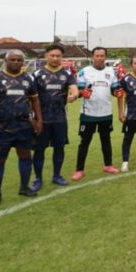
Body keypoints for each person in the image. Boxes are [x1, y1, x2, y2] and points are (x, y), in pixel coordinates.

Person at [0, 50, 43, 207]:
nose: (16, 62)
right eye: (13, 59)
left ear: (23, 62)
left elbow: (35, 101)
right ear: (5, 60)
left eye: (19, 60)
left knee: (25, 156)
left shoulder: (29, 79)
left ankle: (24, 187)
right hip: (2, 127)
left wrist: (39, 119)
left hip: (24, 126)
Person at [31, 44, 79, 191]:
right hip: (41, 119)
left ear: (62, 57)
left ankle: (57, 175)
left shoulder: (66, 74)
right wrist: (33, 118)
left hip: (59, 119)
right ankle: (38, 178)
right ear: (46, 56)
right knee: (39, 149)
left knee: (59, 148)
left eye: (58, 56)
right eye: (52, 55)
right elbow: (31, 96)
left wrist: (73, 95)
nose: (55, 58)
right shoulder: (37, 74)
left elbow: (74, 90)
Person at [72, 47, 121, 181]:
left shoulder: (111, 71)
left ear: (105, 57)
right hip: (88, 114)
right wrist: (83, 93)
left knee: (106, 140)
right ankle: (79, 170)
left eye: (102, 56)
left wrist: (117, 92)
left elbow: (114, 89)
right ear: (93, 57)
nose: (100, 58)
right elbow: (79, 91)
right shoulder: (84, 72)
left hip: (106, 113)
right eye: (97, 56)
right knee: (85, 142)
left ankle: (108, 165)